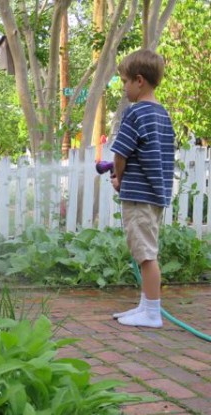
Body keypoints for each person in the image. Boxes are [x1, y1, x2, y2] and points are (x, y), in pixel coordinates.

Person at [110, 49, 176, 328]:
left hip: (138, 197)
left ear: (139, 81)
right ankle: (145, 306)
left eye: (124, 81)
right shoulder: (163, 115)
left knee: (146, 255)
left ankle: (151, 313)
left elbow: (120, 154)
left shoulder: (135, 113)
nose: (123, 88)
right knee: (146, 250)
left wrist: (118, 178)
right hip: (155, 196)